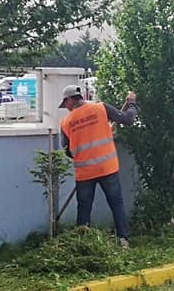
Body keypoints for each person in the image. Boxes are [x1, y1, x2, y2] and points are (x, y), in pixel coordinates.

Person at [59, 84, 138, 248]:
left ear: (71, 99)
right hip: (107, 168)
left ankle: (83, 244)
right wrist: (131, 103)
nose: (65, 108)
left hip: (85, 173)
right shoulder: (101, 108)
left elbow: (68, 151)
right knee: (116, 204)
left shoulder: (66, 122)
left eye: (65, 103)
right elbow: (128, 119)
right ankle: (123, 239)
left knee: (84, 209)